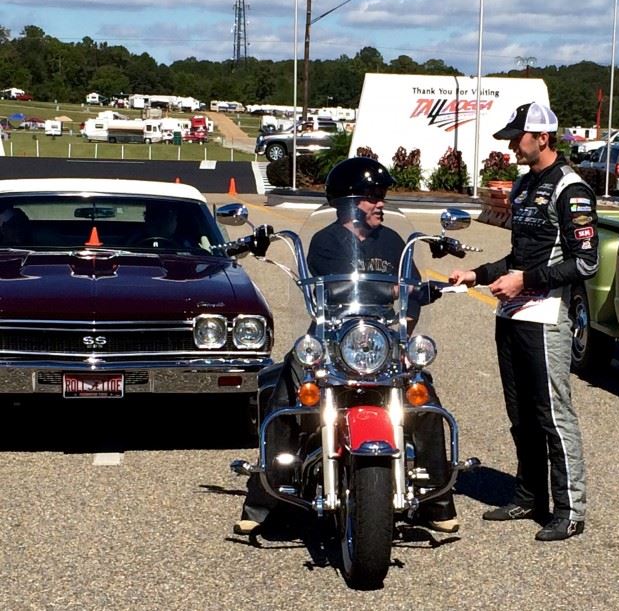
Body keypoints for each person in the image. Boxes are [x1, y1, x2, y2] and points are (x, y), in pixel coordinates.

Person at [235, 157, 458, 536]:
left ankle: (436, 501)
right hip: (333, 338)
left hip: (381, 340)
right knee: (288, 394)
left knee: (425, 401)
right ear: (349, 203)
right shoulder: (324, 242)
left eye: (381, 197)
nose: (381, 205)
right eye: (373, 198)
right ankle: (261, 500)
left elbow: (411, 290)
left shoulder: (393, 241)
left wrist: (406, 323)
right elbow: (317, 292)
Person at [449, 102, 598, 542]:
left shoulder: (571, 190)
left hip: (547, 314)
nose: (512, 145)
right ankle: (529, 495)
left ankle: (570, 510)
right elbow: (520, 255)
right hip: (512, 312)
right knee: (520, 415)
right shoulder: (522, 185)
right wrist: (478, 275)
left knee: (553, 414)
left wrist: (525, 281)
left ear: (543, 138)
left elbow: (585, 263)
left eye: (518, 137)